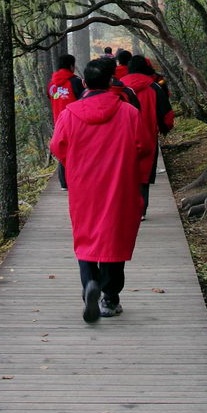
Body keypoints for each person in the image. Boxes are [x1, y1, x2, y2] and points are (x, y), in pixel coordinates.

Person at [50, 59, 152, 322]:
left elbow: (57, 146)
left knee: (86, 236)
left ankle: (89, 284)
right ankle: (110, 297)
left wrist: (75, 164)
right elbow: (144, 147)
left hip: (83, 186)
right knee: (114, 237)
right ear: (111, 82)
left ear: (84, 83)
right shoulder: (128, 113)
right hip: (119, 184)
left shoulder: (69, 113)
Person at [121, 55, 175, 217]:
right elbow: (166, 115)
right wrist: (165, 128)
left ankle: (124, 207)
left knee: (123, 171)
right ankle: (141, 210)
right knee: (144, 174)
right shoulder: (154, 87)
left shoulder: (119, 86)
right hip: (148, 136)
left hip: (122, 137)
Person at [47, 54, 84, 188]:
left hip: (58, 122)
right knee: (75, 151)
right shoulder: (76, 82)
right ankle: (75, 180)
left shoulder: (51, 84)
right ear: (71, 66)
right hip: (75, 122)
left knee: (62, 150)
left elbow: (50, 98)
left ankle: (64, 182)